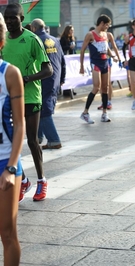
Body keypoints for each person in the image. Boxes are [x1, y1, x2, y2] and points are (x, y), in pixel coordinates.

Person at [3, 3, 53, 202]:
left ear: (22, 19)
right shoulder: (3, 40)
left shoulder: (32, 39)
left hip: (31, 96)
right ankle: (23, 180)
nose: (9, 21)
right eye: (6, 18)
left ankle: (42, 180)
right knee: (9, 142)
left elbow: (48, 70)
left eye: (13, 18)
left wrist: (26, 79)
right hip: (8, 98)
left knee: (32, 140)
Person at [0, 15, 25, 266]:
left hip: (4, 161)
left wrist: (10, 167)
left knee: (7, 233)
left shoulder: (9, 73)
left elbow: (19, 125)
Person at [30, 19, 66, 150]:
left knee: (44, 111)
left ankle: (54, 140)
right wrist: (62, 79)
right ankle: (38, 136)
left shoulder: (34, 40)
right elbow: (62, 60)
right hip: (55, 80)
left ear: (33, 28)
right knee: (40, 109)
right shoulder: (55, 40)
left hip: (43, 79)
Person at [79, 14, 117, 124]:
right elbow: (82, 50)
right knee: (96, 87)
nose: (108, 27)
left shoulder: (106, 34)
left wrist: (113, 56)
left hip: (105, 63)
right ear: (101, 23)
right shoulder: (90, 35)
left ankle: (104, 113)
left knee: (105, 88)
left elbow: (106, 48)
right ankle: (85, 113)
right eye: (107, 25)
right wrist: (81, 66)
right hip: (95, 64)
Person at [97, 31, 122, 110]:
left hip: (107, 60)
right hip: (98, 61)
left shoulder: (108, 34)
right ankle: (103, 101)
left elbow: (114, 46)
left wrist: (119, 58)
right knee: (100, 83)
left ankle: (109, 101)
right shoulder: (95, 34)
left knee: (107, 82)